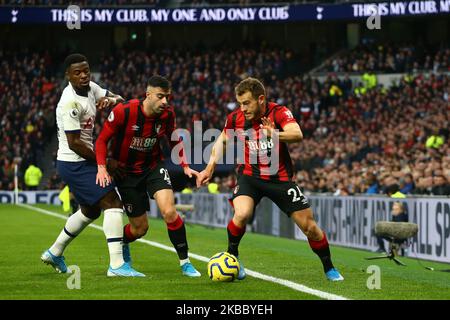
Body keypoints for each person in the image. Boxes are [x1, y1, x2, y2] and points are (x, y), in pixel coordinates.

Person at [196, 77, 344, 281]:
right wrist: (209, 167)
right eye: (240, 103)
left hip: (280, 179)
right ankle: (233, 256)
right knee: (242, 214)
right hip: (250, 177)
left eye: (247, 103)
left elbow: (297, 134)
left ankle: (329, 268)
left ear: (261, 99)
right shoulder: (235, 118)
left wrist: (273, 134)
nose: (243, 108)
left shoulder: (279, 112)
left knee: (310, 227)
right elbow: (222, 139)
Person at [41, 53, 144, 277]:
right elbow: (75, 143)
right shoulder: (70, 103)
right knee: (112, 202)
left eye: (86, 70)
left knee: (90, 211)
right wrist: (104, 162)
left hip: (80, 161)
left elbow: (120, 100)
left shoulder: (91, 88)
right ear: (68, 75)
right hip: (75, 162)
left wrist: (111, 100)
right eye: (77, 72)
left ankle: (55, 252)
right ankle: (116, 265)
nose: (83, 75)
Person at [95, 75, 201, 277]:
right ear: (148, 95)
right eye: (160, 97)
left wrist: (185, 166)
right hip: (126, 174)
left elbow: (173, 139)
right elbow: (101, 141)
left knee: (169, 212)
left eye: (167, 97)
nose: (165, 102)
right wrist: (101, 167)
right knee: (140, 229)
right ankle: (124, 240)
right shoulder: (123, 111)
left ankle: (185, 263)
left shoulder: (167, 114)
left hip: (153, 167)